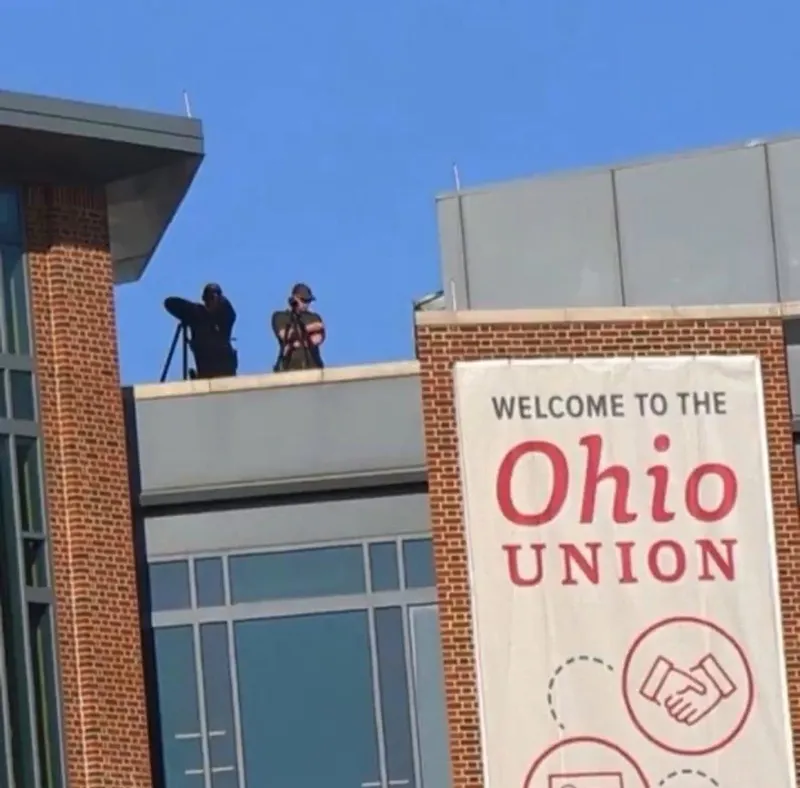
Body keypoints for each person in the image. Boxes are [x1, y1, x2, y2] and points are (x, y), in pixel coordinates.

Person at [163, 283, 238, 379]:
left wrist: (219, 301)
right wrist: (191, 310)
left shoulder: (225, 320)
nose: (211, 302)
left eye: (214, 298)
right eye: (209, 298)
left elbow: (230, 312)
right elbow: (169, 303)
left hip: (226, 370)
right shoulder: (198, 315)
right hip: (206, 370)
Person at [271, 283, 326, 371]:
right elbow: (284, 335)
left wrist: (295, 342)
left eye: (308, 301)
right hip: (289, 368)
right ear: (294, 299)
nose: (306, 304)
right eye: (303, 300)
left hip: (313, 367)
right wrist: (308, 329)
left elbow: (317, 338)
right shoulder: (280, 316)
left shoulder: (314, 317)